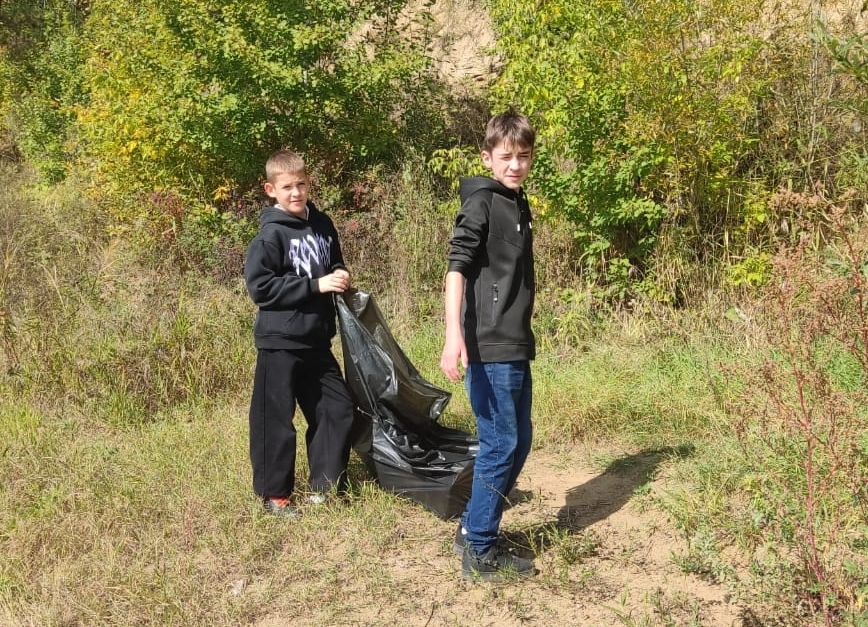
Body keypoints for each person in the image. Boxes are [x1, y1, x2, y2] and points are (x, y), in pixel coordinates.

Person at [440, 111, 538, 581]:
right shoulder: (481, 203)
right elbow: (456, 269)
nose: (515, 165)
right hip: (489, 344)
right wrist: (453, 335)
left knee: (518, 442)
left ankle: (472, 527)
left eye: (523, 156)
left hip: (515, 342)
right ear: (487, 158)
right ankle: (479, 550)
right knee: (500, 445)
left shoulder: (517, 202)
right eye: (506, 157)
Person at [244, 149, 355, 518]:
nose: (296, 193)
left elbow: (332, 261)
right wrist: (315, 286)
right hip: (279, 342)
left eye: (301, 185)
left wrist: (339, 274)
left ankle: (325, 489)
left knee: (337, 409)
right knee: (275, 419)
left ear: (309, 184)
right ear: (271, 190)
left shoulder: (321, 223)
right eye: (287, 187)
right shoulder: (269, 235)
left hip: (317, 339)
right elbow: (261, 288)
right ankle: (275, 497)